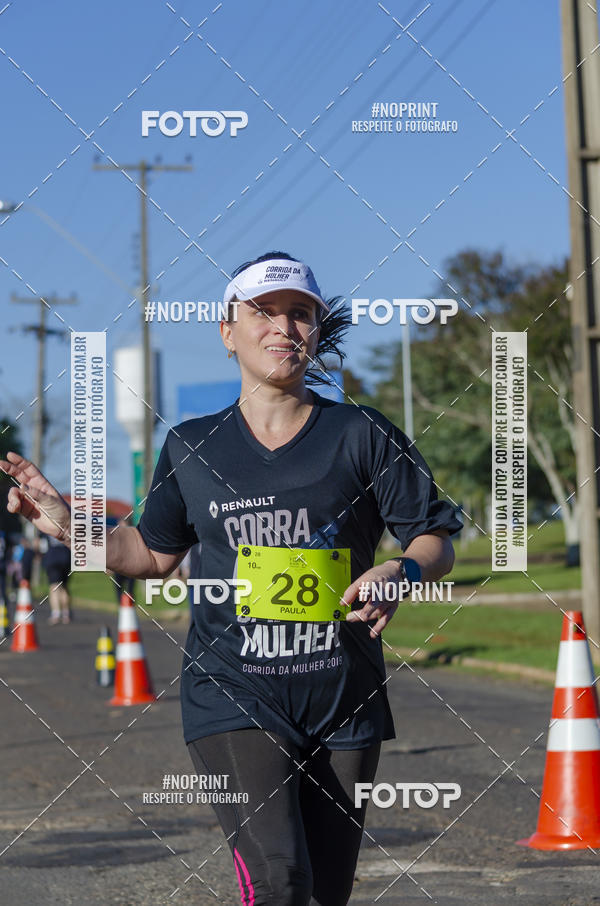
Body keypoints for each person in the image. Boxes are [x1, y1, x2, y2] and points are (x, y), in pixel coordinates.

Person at [1, 251, 461, 906]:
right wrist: (65, 524)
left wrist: (401, 567)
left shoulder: (362, 435)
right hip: (233, 691)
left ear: (318, 329)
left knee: (325, 893)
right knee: (280, 881)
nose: (283, 328)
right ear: (227, 331)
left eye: (300, 314)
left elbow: (436, 539)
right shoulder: (192, 446)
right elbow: (147, 553)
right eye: (264, 313)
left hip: (344, 699)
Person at [42, 535, 72, 624]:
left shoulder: (46, 524)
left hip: (53, 557)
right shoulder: (67, 523)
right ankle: (66, 614)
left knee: (54, 587)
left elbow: (40, 543)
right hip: (66, 557)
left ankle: (56, 614)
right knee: (64, 586)